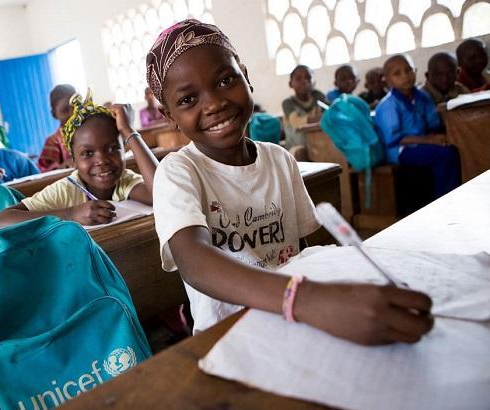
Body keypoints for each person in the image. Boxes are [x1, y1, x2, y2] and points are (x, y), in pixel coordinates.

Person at [146, 19, 434, 345]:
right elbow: (193, 261)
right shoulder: (178, 173)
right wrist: (308, 299)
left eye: (226, 80)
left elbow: (302, 251)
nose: (213, 103)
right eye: (187, 100)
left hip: (297, 321)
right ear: (169, 115)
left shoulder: (279, 159)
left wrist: (347, 286)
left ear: (246, 76)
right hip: (231, 337)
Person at [0, 90, 158, 231]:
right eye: (87, 153)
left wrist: (128, 131)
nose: (102, 160)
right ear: (74, 160)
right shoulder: (65, 190)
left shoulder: (124, 181)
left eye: (112, 149)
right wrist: (70, 214)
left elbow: (164, 194)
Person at [374, 54, 461, 199]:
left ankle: (454, 194)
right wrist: (430, 140)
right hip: (400, 150)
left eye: (408, 70)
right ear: (388, 80)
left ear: (415, 71)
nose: (405, 76)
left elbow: (433, 124)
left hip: (422, 143)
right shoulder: (388, 105)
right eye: (397, 73)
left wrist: (441, 138)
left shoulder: (422, 96)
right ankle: (445, 199)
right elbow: (395, 139)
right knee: (444, 155)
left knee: (453, 148)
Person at [281, 65, 327, 160]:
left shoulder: (318, 96)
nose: (304, 81)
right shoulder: (288, 102)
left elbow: (331, 113)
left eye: (308, 78)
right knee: (301, 152)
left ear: (314, 81)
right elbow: (296, 122)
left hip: (319, 143)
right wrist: (321, 117)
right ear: (290, 84)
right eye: (298, 79)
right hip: (296, 146)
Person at [37, 84, 76, 172]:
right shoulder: (53, 141)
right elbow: (44, 173)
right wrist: (64, 167)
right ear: (54, 114)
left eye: (76, 107)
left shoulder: (91, 133)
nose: (72, 114)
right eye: (65, 110)